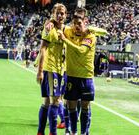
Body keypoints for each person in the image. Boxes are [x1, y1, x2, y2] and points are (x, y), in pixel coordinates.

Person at [57, 7, 97, 135]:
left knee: (85, 106)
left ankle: (84, 132)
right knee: (71, 106)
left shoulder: (91, 35)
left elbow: (81, 51)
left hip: (86, 76)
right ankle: (72, 131)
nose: (76, 26)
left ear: (85, 21)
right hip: (72, 75)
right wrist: (50, 23)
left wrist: (65, 40)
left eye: (79, 23)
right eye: (74, 23)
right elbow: (57, 23)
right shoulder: (68, 31)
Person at [36, 3, 67, 135]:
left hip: (62, 69)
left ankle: (40, 131)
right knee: (55, 101)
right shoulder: (49, 28)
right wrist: (40, 71)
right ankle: (52, 132)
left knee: (48, 101)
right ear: (53, 14)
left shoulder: (67, 29)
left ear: (66, 15)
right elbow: (43, 48)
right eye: (57, 13)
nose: (60, 15)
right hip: (50, 68)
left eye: (62, 13)